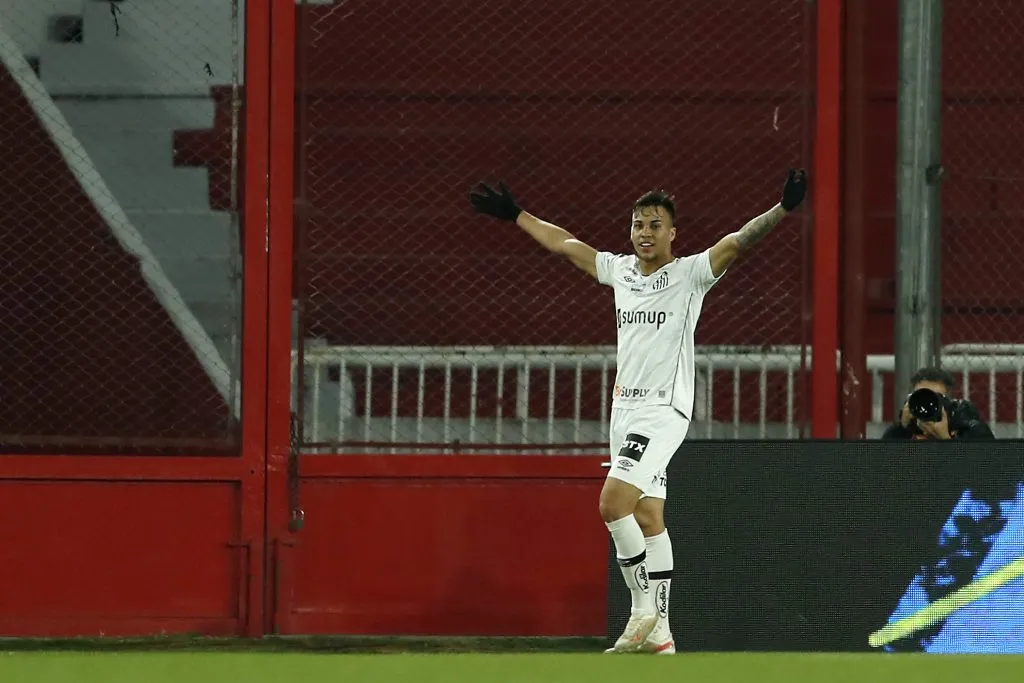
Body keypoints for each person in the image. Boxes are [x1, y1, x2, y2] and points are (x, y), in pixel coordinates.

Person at [469, 169, 808, 653]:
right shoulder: (621, 271)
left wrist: (783, 209)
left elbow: (736, 243)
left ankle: (643, 607)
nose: (644, 232)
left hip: (662, 412)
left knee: (611, 504)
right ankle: (663, 635)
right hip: (623, 410)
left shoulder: (690, 274)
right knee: (648, 515)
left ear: (672, 233)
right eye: (637, 224)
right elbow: (565, 245)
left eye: (654, 224)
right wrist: (517, 215)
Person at [883, 367, 994, 441]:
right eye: (921, 397)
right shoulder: (905, 430)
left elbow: (983, 471)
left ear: (949, 402)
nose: (928, 404)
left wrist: (945, 440)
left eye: (936, 398)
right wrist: (901, 428)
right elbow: (880, 467)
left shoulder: (966, 428)